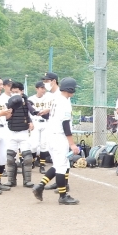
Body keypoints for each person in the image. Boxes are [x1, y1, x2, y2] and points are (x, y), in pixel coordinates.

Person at [32, 77, 81, 205]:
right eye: (74, 88)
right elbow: (65, 125)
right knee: (61, 167)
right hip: (59, 137)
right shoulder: (64, 102)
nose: (74, 91)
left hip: (51, 136)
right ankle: (62, 196)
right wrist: (72, 144)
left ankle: (40, 186)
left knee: (58, 165)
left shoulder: (57, 99)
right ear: (70, 89)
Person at [3, 82, 35, 188]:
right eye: (12, 92)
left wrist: (31, 122)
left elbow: (30, 113)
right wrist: (10, 109)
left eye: (16, 92)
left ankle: (27, 181)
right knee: (10, 157)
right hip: (11, 132)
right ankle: (11, 180)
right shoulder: (8, 102)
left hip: (23, 132)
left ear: (22, 91)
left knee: (27, 157)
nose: (14, 94)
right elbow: (6, 118)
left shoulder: (27, 102)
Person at [28, 81, 51, 172]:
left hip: (45, 122)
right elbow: (28, 112)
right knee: (33, 145)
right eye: (41, 88)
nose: (43, 90)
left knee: (44, 144)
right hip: (35, 122)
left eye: (44, 88)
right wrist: (30, 122)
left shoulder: (48, 99)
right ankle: (33, 161)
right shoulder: (31, 99)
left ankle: (42, 165)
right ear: (36, 89)